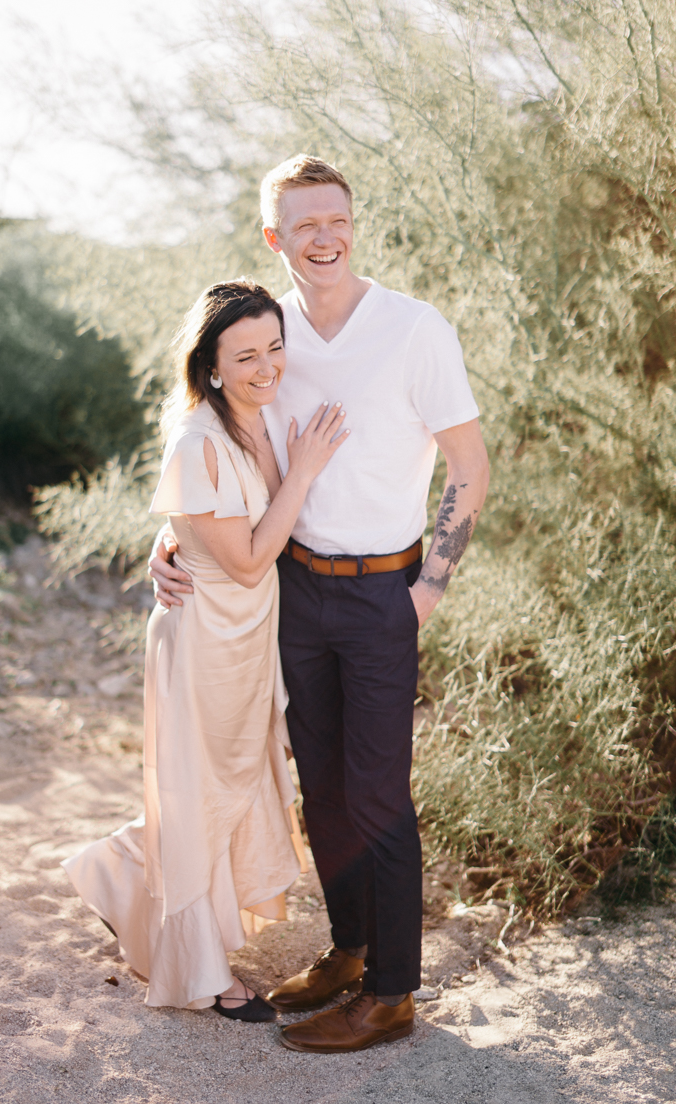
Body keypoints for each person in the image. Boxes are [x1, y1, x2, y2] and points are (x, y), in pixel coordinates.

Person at [150, 154, 490, 1053]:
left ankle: (391, 995)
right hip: (293, 587)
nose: (324, 236)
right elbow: (220, 434)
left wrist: (427, 592)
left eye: (335, 218)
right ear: (275, 239)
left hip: (387, 590)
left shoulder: (415, 331)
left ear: (353, 221)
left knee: (380, 793)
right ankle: (350, 949)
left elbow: (470, 464)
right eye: (303, 225)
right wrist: (175, 536)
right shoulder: (271, 334)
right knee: (324, 785)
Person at [63, 279, 349, 1022]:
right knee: (202, 789)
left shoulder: (257, 418)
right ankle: (201, 973)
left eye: (275, 348)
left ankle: (118, 868)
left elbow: (220, 533)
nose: (267, 367)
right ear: (212, 366)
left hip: (248, 639)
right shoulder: (198, 438)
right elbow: (252, 557)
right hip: (203, 638)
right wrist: (308, 468)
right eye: (246, 355)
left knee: (227, 782)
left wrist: (175, 539)